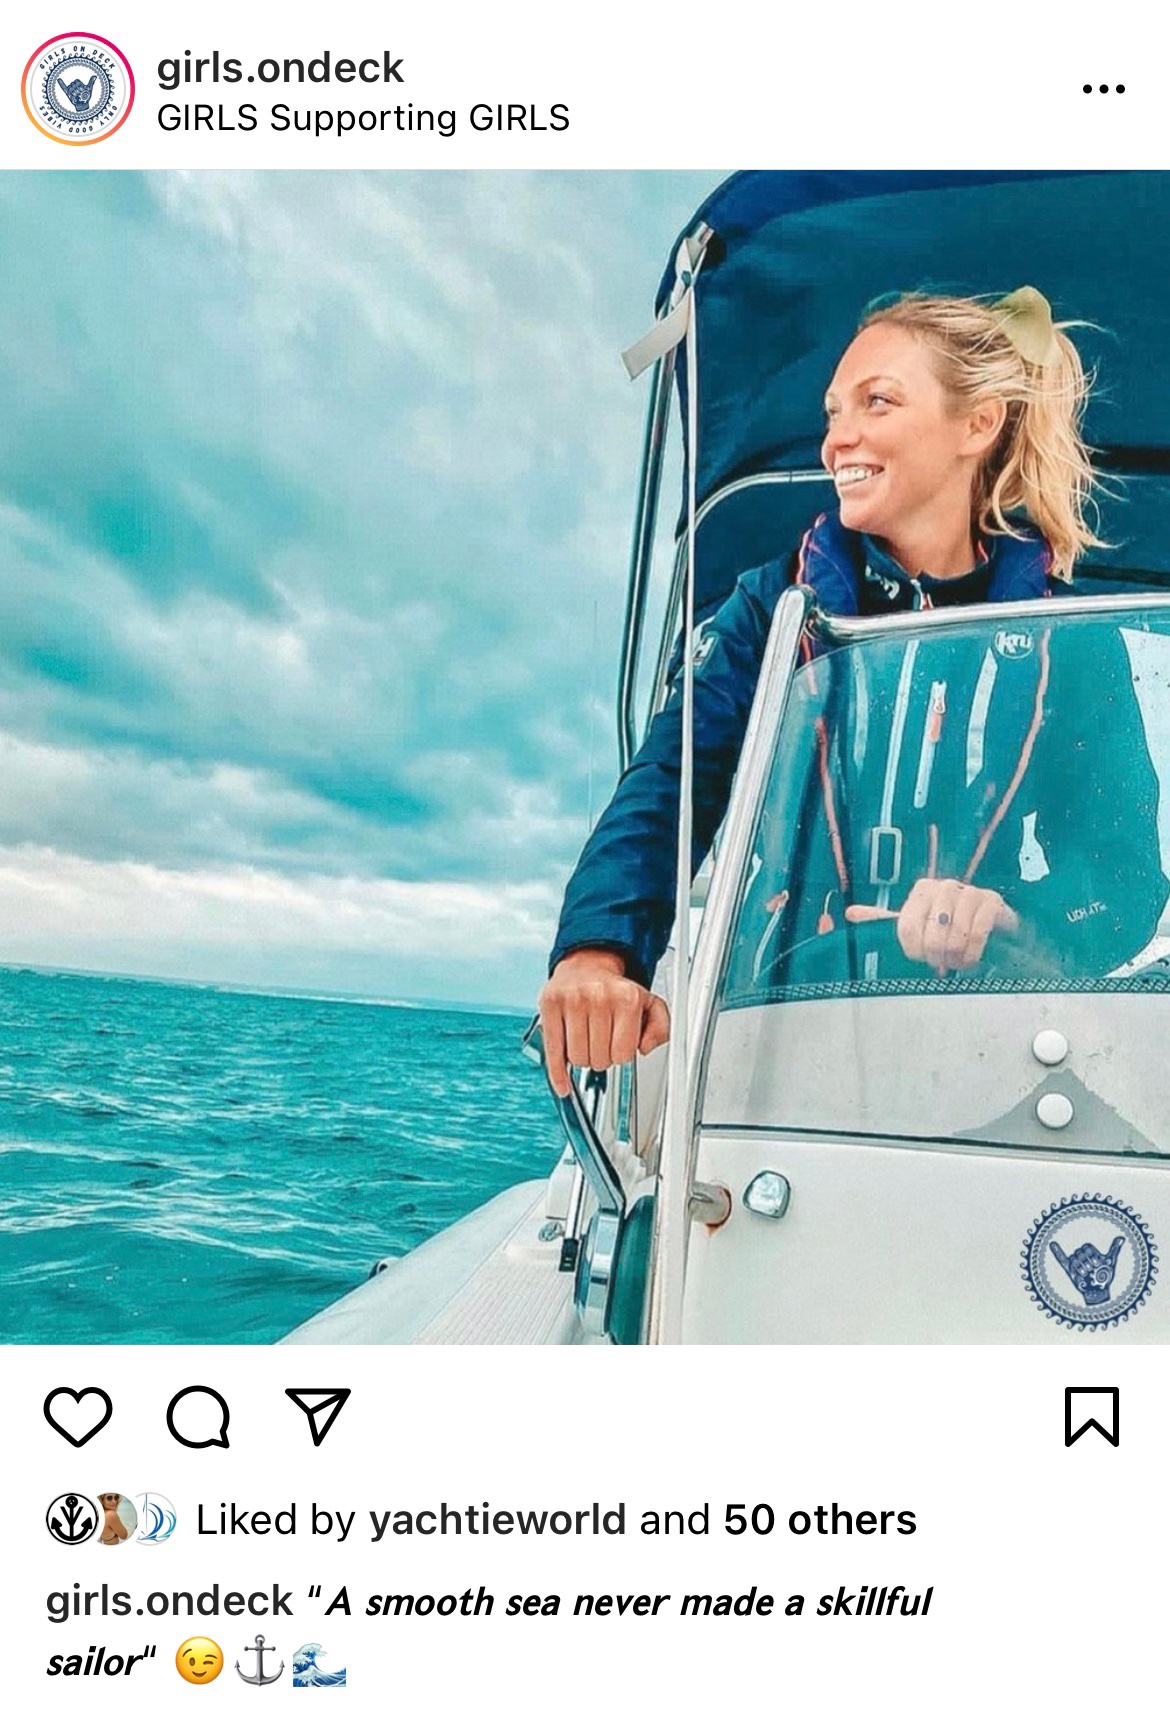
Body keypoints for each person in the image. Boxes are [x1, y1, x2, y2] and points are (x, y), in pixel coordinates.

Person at [539, 288, 1168, 1095]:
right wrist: (598, 950)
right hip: (770, 1041)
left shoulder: (1062, 640)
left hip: (988, 1057)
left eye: (878, 402)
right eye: (834, 412)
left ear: (977, 424)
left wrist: (1011, 914)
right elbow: (673, 779)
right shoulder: (773, 607)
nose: (838, 438)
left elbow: (1122, 880)